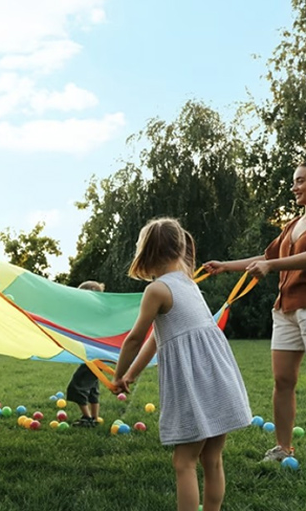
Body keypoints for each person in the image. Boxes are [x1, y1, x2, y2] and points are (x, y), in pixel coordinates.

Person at [113, 218, 251, 511]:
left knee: (183, 462)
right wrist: (131, 374)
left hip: (195, 383)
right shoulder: (187, 284)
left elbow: (136, 339)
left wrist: (116, 375)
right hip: (219, 377)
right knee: (212, 459)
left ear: (146, 252)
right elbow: (156, 339)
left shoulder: (157, 290)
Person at [204, 161, 306, 463]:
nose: (294, 186)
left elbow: (275, 263)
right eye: (294, 181)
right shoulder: (292, 225)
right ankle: (283, 448)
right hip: (286, 307)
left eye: (300, 180)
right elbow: (266, 257)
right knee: (283, 380)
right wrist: (226, 266)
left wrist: (271, 266)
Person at [67, 280, 105, 427]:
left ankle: (87, 418)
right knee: (92, 388)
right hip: (98, 357)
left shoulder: (94, 314)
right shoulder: (97, 314)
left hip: (95, 358)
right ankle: (94, 418)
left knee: (77, 386)